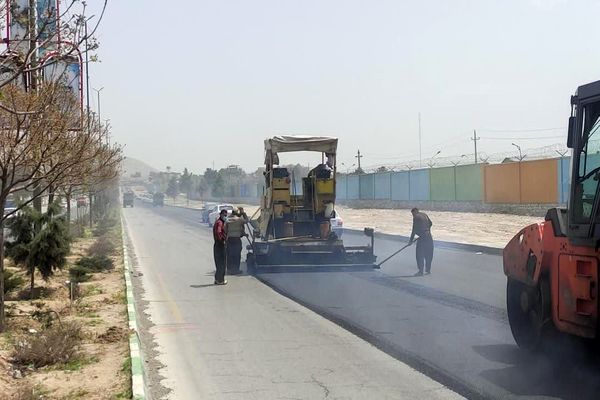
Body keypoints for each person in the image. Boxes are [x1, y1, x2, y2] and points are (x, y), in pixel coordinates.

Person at [409, 208, 434, 276]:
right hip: (429, 236)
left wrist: (410, 241)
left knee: (419, 254)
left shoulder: (416, 217)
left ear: (415, 212)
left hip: (422, 238)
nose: (413, 216)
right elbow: (431, 223)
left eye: (412, 214)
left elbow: (414, 230)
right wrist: (426, 230)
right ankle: (428, 270)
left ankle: (420, 271)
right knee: (428, 253)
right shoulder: (424, 214)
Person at [225, 208, 247, 275]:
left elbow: (225, 229)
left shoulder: (227, 219)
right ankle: (236, 270)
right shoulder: (239, 219)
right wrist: (243, 213)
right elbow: (247, 221)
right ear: (237, 213)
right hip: (237, 239)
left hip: (229, 239)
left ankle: (229, 269)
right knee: (237, 255)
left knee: (229, 254)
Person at [212, 209, 228, 285]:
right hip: (220, 245)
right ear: (221, 215)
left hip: (217, 245)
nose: (225, 217)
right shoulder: (219, 223)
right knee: (222, 263)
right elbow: (218, 232)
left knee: (219, 263)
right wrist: (222, 240)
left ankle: (217, 279)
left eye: (226, 215)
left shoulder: (219, 222)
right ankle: (220, 280)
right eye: (224, 215)